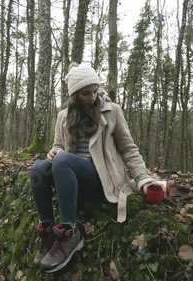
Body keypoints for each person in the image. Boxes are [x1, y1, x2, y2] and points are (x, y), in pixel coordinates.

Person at [29, 63, 157, 273]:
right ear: (75, 95)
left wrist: (143, 178)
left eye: (95, 91)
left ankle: (69, 232)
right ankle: (48, 230)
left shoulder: (112, 111)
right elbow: (58, 146)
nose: (92, 97)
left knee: (63, 161)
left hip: (101, 178)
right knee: (38, 168)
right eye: (86, 93)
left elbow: (129, 149)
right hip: (69, 174)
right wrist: (53, 152)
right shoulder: (63, 116)